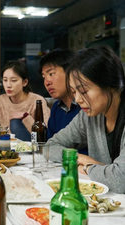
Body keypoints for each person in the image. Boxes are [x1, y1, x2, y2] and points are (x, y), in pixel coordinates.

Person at [48, 46, 125, 194]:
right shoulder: (89, 116)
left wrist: (87, 167)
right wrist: (77, 157)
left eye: (83, 91)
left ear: (110, 85)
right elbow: (50, 147)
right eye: (73, 92)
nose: (77, 99)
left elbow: (120, 179)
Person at [40, 49, 88, 155]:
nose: (47, 82)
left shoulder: (87, 107)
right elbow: (49, 146)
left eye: (51, 74)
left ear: (71, 73)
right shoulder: (56, 108)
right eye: (44, 77)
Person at [0, 60, 50, 141]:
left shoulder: (37, 101)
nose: (8, 85)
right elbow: (5, 130)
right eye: (5, 80)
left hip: (34, 145)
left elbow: (45, 133)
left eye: (13, 80)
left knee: (15, 122)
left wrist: (25, 116)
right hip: (10, 145)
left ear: (24, 82)